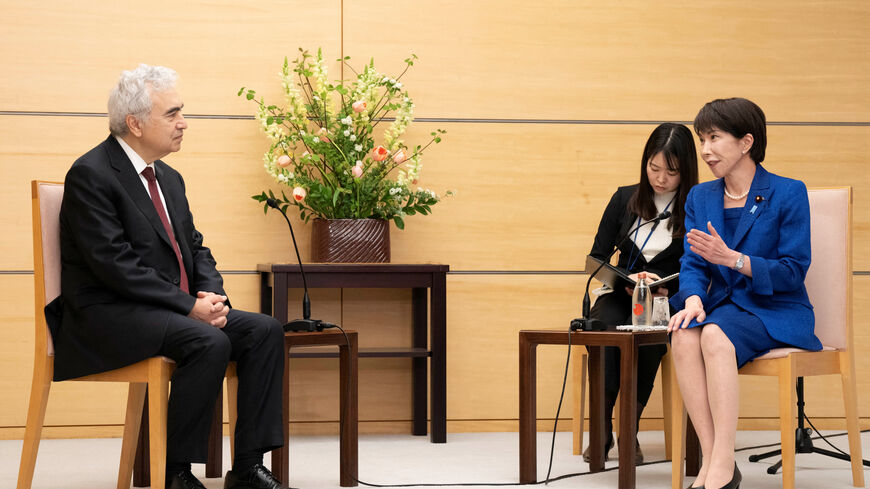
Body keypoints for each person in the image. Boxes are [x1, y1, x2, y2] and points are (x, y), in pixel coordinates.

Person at [46, 64, 290, 489]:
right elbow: (113, 264)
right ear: (134, 123)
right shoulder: (91, 174)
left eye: (182, 112)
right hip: (106, 315)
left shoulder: (169, 179)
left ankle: (248, 466)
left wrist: (210, 296)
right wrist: (189, 307)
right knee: (207, 339)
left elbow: (195, 247)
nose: (184, 123)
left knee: (264, 330)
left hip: (164, 310)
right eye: (172, 114)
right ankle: (176, 471)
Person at [668, 97, 822, 489]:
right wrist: (692, 298)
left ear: (746, 142)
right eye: (702, 139)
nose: (704, 150)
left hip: (777, 308)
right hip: (723, 307)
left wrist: (734, 259)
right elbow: (693, 263)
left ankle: (721, 461)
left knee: (716, 336)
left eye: (715, 138)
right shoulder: (700, 197)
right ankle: (713, 459)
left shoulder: (788, 192)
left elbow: (793, 270)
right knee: (683, 335)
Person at [583, 122, 699, 463]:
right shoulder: (624, 198)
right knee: (604, 329)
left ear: (686, 171)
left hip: (665, 300)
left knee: (648, 332)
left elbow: (701, 267)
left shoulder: (695, 207)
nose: (661, 179)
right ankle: (602, 427)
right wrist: (629, 277)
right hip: (619, 293)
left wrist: (663, 283)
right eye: (654, 168)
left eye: (671, 172)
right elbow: (597, 258)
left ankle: (628, 430)